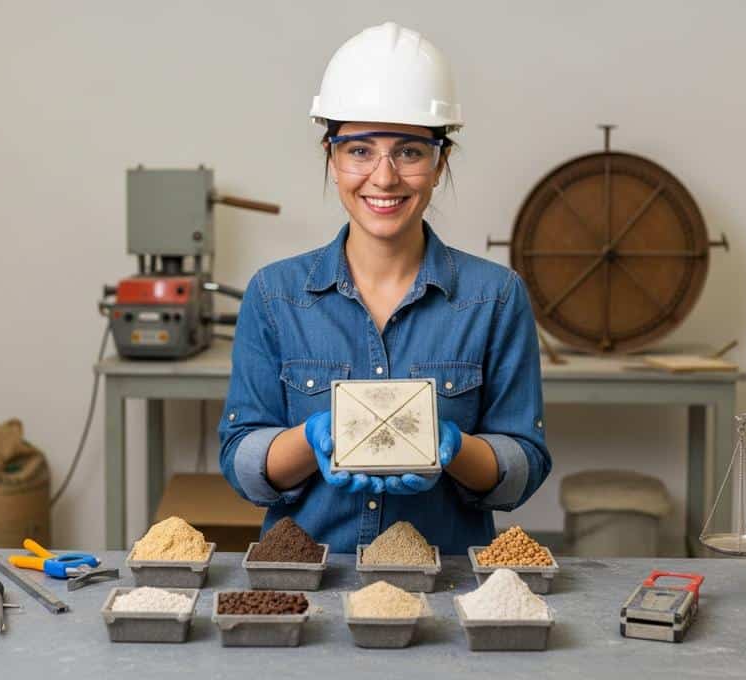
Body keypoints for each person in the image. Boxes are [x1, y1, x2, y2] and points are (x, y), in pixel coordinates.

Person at [219, 22, 551, 554]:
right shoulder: (274, 296)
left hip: (447, 591)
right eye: (359, 150)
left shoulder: (495, 298)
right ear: (331, 157)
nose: (384, 176)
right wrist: (312, 439)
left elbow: (523, 468)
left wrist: (452, 449)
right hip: (308, 588)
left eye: (410, 152)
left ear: (440, 161)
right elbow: (242, 464)